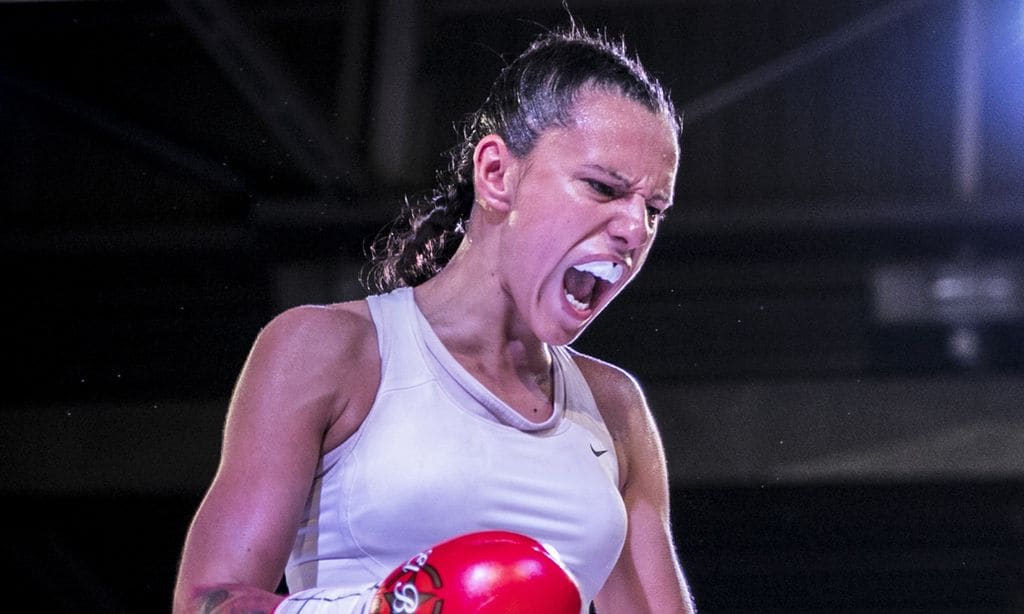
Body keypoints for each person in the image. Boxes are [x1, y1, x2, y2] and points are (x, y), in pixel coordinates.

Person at [173, 22, 696, 614]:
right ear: (497, 174)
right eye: (604, 187)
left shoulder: (614, 408)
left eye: (654, 210)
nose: (635, 229)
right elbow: (206, 602)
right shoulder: (329, 350)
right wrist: (385, 610)